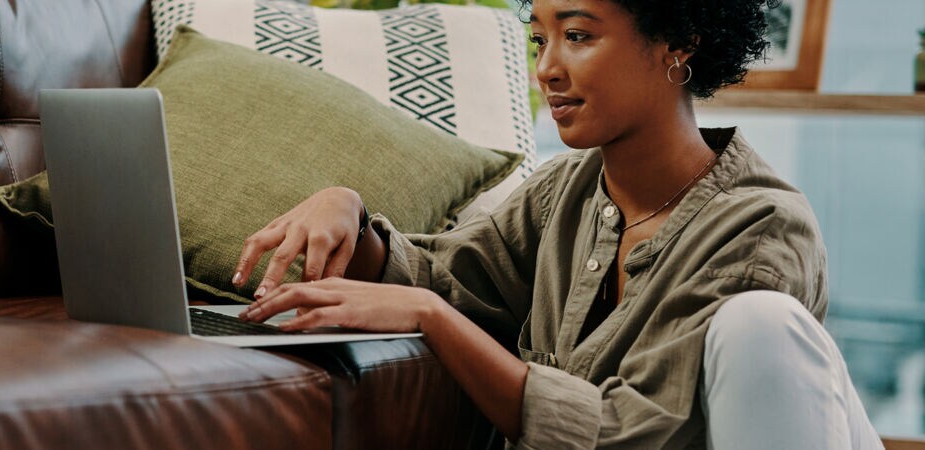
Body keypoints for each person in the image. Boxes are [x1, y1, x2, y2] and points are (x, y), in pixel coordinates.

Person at [231, 0, 884, 448]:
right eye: (540, 38)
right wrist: (344, 208)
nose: (546, 67)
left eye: (578, 35)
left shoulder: (761, 226)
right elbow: (446, 277)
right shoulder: (567, 192)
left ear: (678, 41)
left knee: (758, 323)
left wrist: (433, 318)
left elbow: (637, 436)